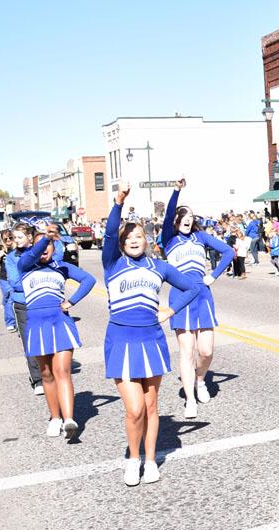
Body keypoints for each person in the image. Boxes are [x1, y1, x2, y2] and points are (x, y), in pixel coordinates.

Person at [103, 182, 200, 486]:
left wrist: (170, 311)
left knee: (151, 406)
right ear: (122, 242)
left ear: (146, 240)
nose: (134, 240)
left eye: (139, 236)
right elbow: (108, 234)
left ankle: (150, 458)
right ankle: (133, 460)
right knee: (134, 409)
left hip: (151, 340)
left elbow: (192, 287)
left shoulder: (159, 267)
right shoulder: (112, 263)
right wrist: (118, 203)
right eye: (128, 237)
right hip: (121, 340)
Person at [160, 180, 236, 418]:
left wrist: (212, 276)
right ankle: (189, 399)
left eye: (190, 215)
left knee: (205, 350)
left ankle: (200, 380)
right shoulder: (168, 239)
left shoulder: (200, 237)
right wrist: (176, 191)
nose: (187, 218)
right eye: (182, 215)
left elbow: (228, 252)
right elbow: (170, 213)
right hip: (180, 296)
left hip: (203, 295)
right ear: (175, 219)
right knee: (187, 351)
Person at [18, 228, 96, 439]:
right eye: (39, 245)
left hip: (60, 322)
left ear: (54, 248)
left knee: (62, 370)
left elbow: (89, 280)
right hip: (36, 324)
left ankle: (69, 419)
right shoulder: (24, 265)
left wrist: (71, 301)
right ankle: (55, 418)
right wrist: (46, 238)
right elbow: (33, 254)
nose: (43, 249)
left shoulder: (62, 267)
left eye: (48, 245)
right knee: (46, 374)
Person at [6, 222, 45, 395]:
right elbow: (15, 283)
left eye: (20, 237)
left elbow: (57, 256)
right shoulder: (11, 257)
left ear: (30, 237)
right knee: (30, 342)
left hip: (42, 303)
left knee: (45, 339)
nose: (16, 240)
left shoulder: (40, 253)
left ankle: (49, 373)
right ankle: (37, 379)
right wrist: (37, 281)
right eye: (14, 237)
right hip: (22, 304)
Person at [0, 230, 17, 332]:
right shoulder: (0, 250)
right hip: (4, 279)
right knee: (10, 299)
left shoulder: (17, 249)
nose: (8, 241)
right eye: (5, 239)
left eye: (10, 238)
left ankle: (4, 301)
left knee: (10, 299)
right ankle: (10, 323)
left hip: (16, 278)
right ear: (2, 240)